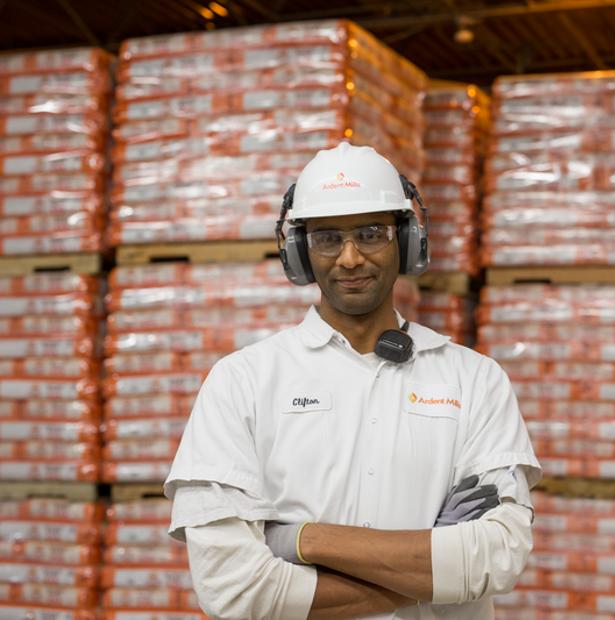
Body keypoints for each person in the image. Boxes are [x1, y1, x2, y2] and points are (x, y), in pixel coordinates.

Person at [165, 142, 541, 619]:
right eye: (326, 238)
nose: (349, 258)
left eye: (370, 233)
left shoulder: (475, 380)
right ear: (299, 251)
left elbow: (498, 557)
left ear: (406, 241)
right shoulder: (241, 382)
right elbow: (234, 589)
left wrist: (301, 539)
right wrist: (438, 566)